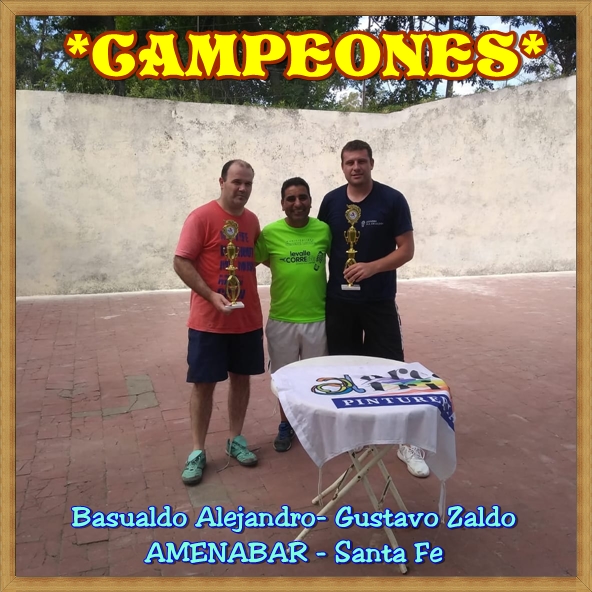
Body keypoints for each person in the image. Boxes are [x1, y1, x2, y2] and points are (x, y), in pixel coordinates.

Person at [318, 140, 429, 478]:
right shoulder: (331, 202)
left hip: (379, 301)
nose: (356, 167)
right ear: (342, 166)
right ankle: (356, 436)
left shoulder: (392, 200)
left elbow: (406, 249)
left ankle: (407, 442)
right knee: (346, 372)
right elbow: (323, 245)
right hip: (340, 303)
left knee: (393, 372)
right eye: (349, 162)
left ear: (371, 163)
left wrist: (372, 267)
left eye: (361, 161)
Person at [173, 159, 265, 485]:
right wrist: (211, 295)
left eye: (248, 183)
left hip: (246, 319)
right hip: (208, 323)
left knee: (241, 380)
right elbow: (181, 261)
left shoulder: (252, 221)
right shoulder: (200, 217)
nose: (242, 188)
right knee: (203, 385)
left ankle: (235, 439)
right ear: (222, 182)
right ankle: (197, 450)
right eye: (237, 181)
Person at [255, 177, 331, 452]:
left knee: (317, 379)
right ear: (282, 203)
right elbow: (261, 258)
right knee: (285, 380)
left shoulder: (324, 230)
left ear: (310, 201)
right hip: (282, 320)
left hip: (317, 319)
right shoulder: (270, 233)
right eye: (291, 199)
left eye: (303, 197)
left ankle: (313, 423)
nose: (297, 203)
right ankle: (286, 424)